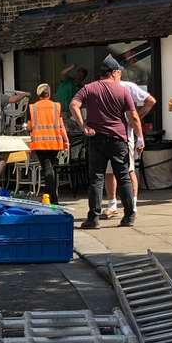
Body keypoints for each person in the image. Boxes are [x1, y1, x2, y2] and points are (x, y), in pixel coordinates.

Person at [70, 55, 142, 229]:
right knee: (123, 177)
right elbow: (133, 116)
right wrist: (140, 137)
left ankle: (93, 219)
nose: (120, 76)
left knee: (96, 179)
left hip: (96, 138)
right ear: (113, 73)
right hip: (118, 138)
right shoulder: (122, 91)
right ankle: (129, 216)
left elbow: (74, 105)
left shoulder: (89, 88)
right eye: (119, 73)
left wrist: (83, 125)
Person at [102, 78, 156, 218]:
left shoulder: (128, 86)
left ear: (117, 73)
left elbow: (150, 101)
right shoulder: (103, 88)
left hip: (126, 136)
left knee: (129, 169)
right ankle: (112, 205)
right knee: (110, 171)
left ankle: (132, 205)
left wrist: (137, 118)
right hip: (109, 135)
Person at [26, 83, 69, 203]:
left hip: (40, 143)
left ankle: (52, 198)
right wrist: (66, 141)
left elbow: (29, 127)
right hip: (55, 142)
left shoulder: (32, 107)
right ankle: (49, 196)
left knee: (47, 169)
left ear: (38, 94)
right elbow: (61, 126)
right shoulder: (56, 106)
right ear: (49, 94)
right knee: (51, 168)